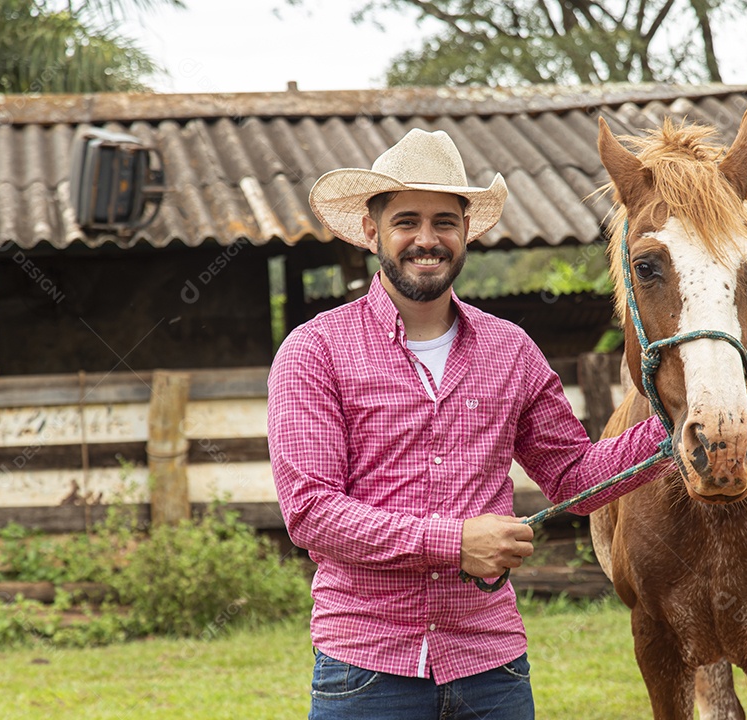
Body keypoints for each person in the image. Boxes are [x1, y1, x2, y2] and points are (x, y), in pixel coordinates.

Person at [267, 128, 673, 720]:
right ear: (370, 230)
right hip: (366, 669)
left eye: (444, 222)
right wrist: (455, 543)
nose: (426, 240)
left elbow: (573, 478)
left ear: (466, 233)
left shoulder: (511, 351)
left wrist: (677, 429)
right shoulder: (314, 351)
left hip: (492, 668)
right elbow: (311, 511)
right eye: (406, 221)